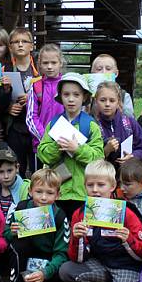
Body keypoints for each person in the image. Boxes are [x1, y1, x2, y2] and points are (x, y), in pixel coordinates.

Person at [59, 160, 142, 282]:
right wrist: (77, 238)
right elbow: (77, 258)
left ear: (112, 186)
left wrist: (129, 239)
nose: (95, 190)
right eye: (90, 185)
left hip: (126, 267)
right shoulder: (80, 214)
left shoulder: (126, 212)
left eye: (101, 185)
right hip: (101, 265)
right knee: (66, 270)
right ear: (84, 186)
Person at [37, 72, 105, 217]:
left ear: (84, 97)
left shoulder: (91, 125)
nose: (71, 99)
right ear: (60, 97)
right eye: (66, 94)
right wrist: (57, 146)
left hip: (83, 193)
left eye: (76, 95)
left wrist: (77, 149)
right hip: (57, 193)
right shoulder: (53, 124)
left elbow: (99, 158)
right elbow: (43, 155)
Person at [4, 168, 69, 282]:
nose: (44, 198)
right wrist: (12, 232)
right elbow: (5, 234)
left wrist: (45, 273)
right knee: (17, 244)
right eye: (39, 192)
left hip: (48, 259)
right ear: (30, 190)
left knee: (62, 268)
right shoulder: (21, 208)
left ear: (58, 195)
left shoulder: (59, 216)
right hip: (25, 256)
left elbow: (61, 253)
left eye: (50, 193)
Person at [3, 27, 40, 175]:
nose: (20, 45)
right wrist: (7, 107)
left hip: (36, 128)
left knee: (37, 168)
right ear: (10, 47)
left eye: (24, 41)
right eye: (16, 42)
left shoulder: (40, 69)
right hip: (14, 127)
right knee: (16, 167)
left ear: (31, 46)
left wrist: (32, 98)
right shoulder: (4, 69)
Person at [92, 81, 142, 173]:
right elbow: (88, 158)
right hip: (102, 177)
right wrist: (106, 150)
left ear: (118, 101)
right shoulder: (93, 126)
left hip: (128, 177)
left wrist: (133, 156)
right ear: (96, 101)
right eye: (102, 100)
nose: (107, 104)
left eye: (112, 100)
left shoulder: (130, 123)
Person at [26, 43, 65, 152]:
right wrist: (45, 138)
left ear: (60, 63)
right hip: (41, 145)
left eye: (54, 63)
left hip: (64, 143)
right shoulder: (36, 86)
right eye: (45, 63)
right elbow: (31, 117)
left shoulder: (67, 84)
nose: (49, 66)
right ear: (40, 65)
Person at [0, 148, 31, 217]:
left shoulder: (27, 189)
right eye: (1, 172)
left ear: (17, 168)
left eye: (10, 171)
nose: (6, 176)